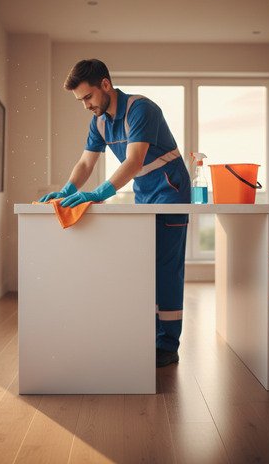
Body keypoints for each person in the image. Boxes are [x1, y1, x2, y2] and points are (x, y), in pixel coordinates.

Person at [40, 59, 190, 367]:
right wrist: (68, 189)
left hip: (171, 191)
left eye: (88, 97)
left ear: (105, 85)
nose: (85, 105)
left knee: (165, 268)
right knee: (143, 267)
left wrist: (98, 194)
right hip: (145, 194)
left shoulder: (141, 109)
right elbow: (85, 163)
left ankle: (167, 345)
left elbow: (134, 160)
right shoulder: (98, 121)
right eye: (81, 100)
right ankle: (147, 335)